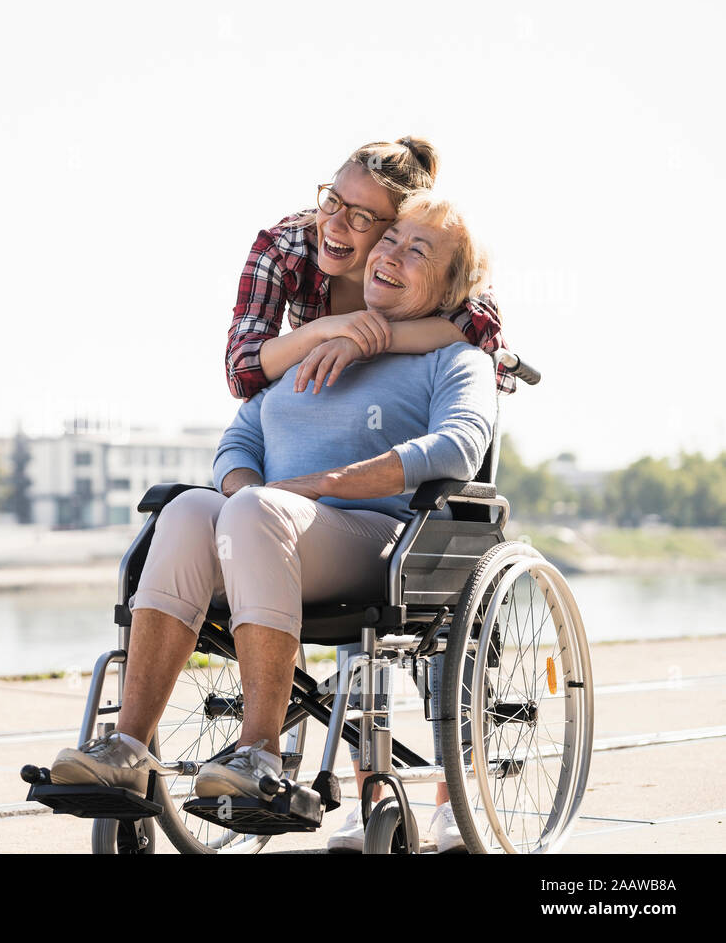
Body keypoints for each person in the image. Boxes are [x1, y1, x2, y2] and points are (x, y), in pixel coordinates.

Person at [47, 190, 497, 854]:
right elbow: (238, 443)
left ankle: (258, 751)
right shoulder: (309, 353)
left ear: (448, 286)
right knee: (191, 507)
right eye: (391, 240)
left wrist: (324, 485)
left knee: (254, 510)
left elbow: (459, 445)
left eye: (417, 251)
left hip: (376, 543)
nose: (392, 255)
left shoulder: (452, 359)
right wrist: (245, 496)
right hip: (270, 531)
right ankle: (128, 747)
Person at [226, 138, 510, 851]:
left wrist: (372, 339)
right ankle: (337, 776)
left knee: (444, 598)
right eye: (335, 202)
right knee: (353, 635)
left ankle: (454, 798)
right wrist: (330, 332)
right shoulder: (288, 243)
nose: (342, 227)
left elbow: (480, 333)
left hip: (395, 482)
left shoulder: (433, 263)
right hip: (316, 450)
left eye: (368, 221)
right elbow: (243, 371)